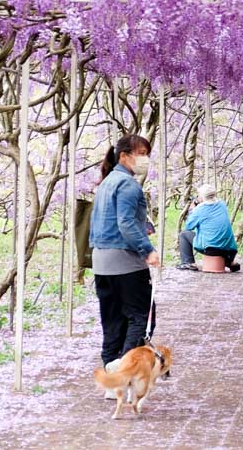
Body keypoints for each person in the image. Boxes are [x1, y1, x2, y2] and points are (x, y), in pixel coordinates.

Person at [89, 134, 159, 371]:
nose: (145, 159)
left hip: (101, 261)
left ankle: (110, 371)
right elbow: (126, 223)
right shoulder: (128, 184)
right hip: (126, 262)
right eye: (141, 154)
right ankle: (124, 370)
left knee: (112, 321)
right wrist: (147, 250)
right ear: (124, 156)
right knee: (141, 317)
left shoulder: (106, 182)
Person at [177, 184, 240, 272]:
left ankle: (188, 263)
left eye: (198, 195)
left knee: (184, 234)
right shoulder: (222, 204)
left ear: (201, 197)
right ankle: (229, 261)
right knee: (218, 238)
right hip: (230, 249)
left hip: (210, 248)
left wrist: (192, 210)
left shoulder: (199, 209)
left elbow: (189, 226)